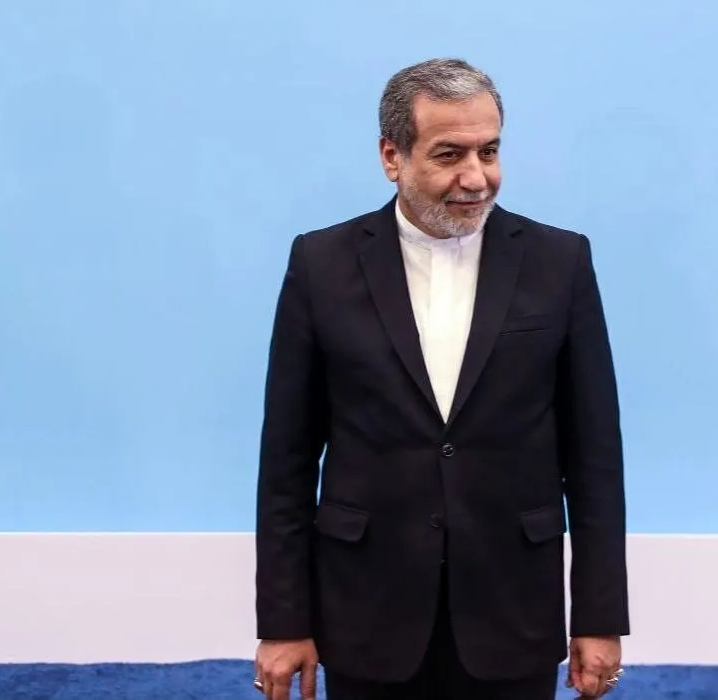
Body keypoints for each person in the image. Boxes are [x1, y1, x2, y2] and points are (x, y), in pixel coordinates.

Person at [253, 57, 630, 700]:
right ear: (392, 157)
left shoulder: (561, 261)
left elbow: (594, 459)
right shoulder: (320, 264)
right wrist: (284, 623)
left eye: (490, 151)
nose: (476, 178)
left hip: (513, 606)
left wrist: (599, 616)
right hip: (366, 610)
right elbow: (286, 464)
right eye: (450, 154)